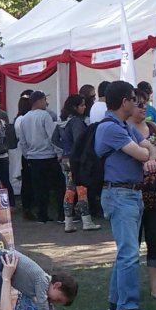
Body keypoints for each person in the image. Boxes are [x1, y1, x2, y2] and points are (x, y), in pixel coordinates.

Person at [96, 80, 155, 310]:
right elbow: (143, 152)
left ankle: (116, 301)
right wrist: (147, 154)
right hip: (120, 194)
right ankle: (127, 306)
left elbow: (151, 146)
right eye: (134, 99)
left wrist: (148, 152)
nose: (139, 104)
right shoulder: (111, 128)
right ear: (124, 102)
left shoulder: (122, 125)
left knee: (126, 251)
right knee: (129, 252)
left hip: (128, 193)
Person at [128, 97, 156, 300]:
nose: (144, 107)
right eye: (139, 104)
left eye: (145, 103)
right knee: (131, 244)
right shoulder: (124, 130)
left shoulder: (153, 127)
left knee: (155, 240)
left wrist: (152, 159)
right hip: (133, 192)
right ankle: (130, 287)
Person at [14, 90, 63, 224]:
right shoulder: (45, 116)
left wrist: (27, 155)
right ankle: (61, 214)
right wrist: (59, 153)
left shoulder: (24, 118)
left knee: (39, 188)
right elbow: (52, 137)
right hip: (48, 156)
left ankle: (42, 215)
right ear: (39, 101)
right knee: (59, 186)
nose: (46, 103)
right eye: (44, 100)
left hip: (33, 158)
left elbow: (22, 141)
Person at [56, 94, 98, 232]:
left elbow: (54, 139)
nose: (84, 107)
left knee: (69, 190)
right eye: (82, 105)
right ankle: (86, 220)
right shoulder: (77, 122)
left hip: (65, 159)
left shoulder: (62, 121)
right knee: (81, 189)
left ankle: (68, 221)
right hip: (77, 159)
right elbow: (79, 140)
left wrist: (65, 149)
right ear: (75, 107)